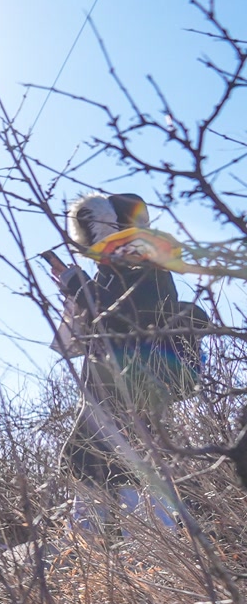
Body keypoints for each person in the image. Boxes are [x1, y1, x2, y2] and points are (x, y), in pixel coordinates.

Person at [48, 191, 213, 530]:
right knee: (94, 467)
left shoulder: (145, 266)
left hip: (131, 395)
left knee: (132, 472)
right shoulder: (116, 272)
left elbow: (122, 320)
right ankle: (95, 555)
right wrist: (76, 291)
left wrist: (77, 285)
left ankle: (150, 554)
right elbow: (95, 330)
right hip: (108, 398)